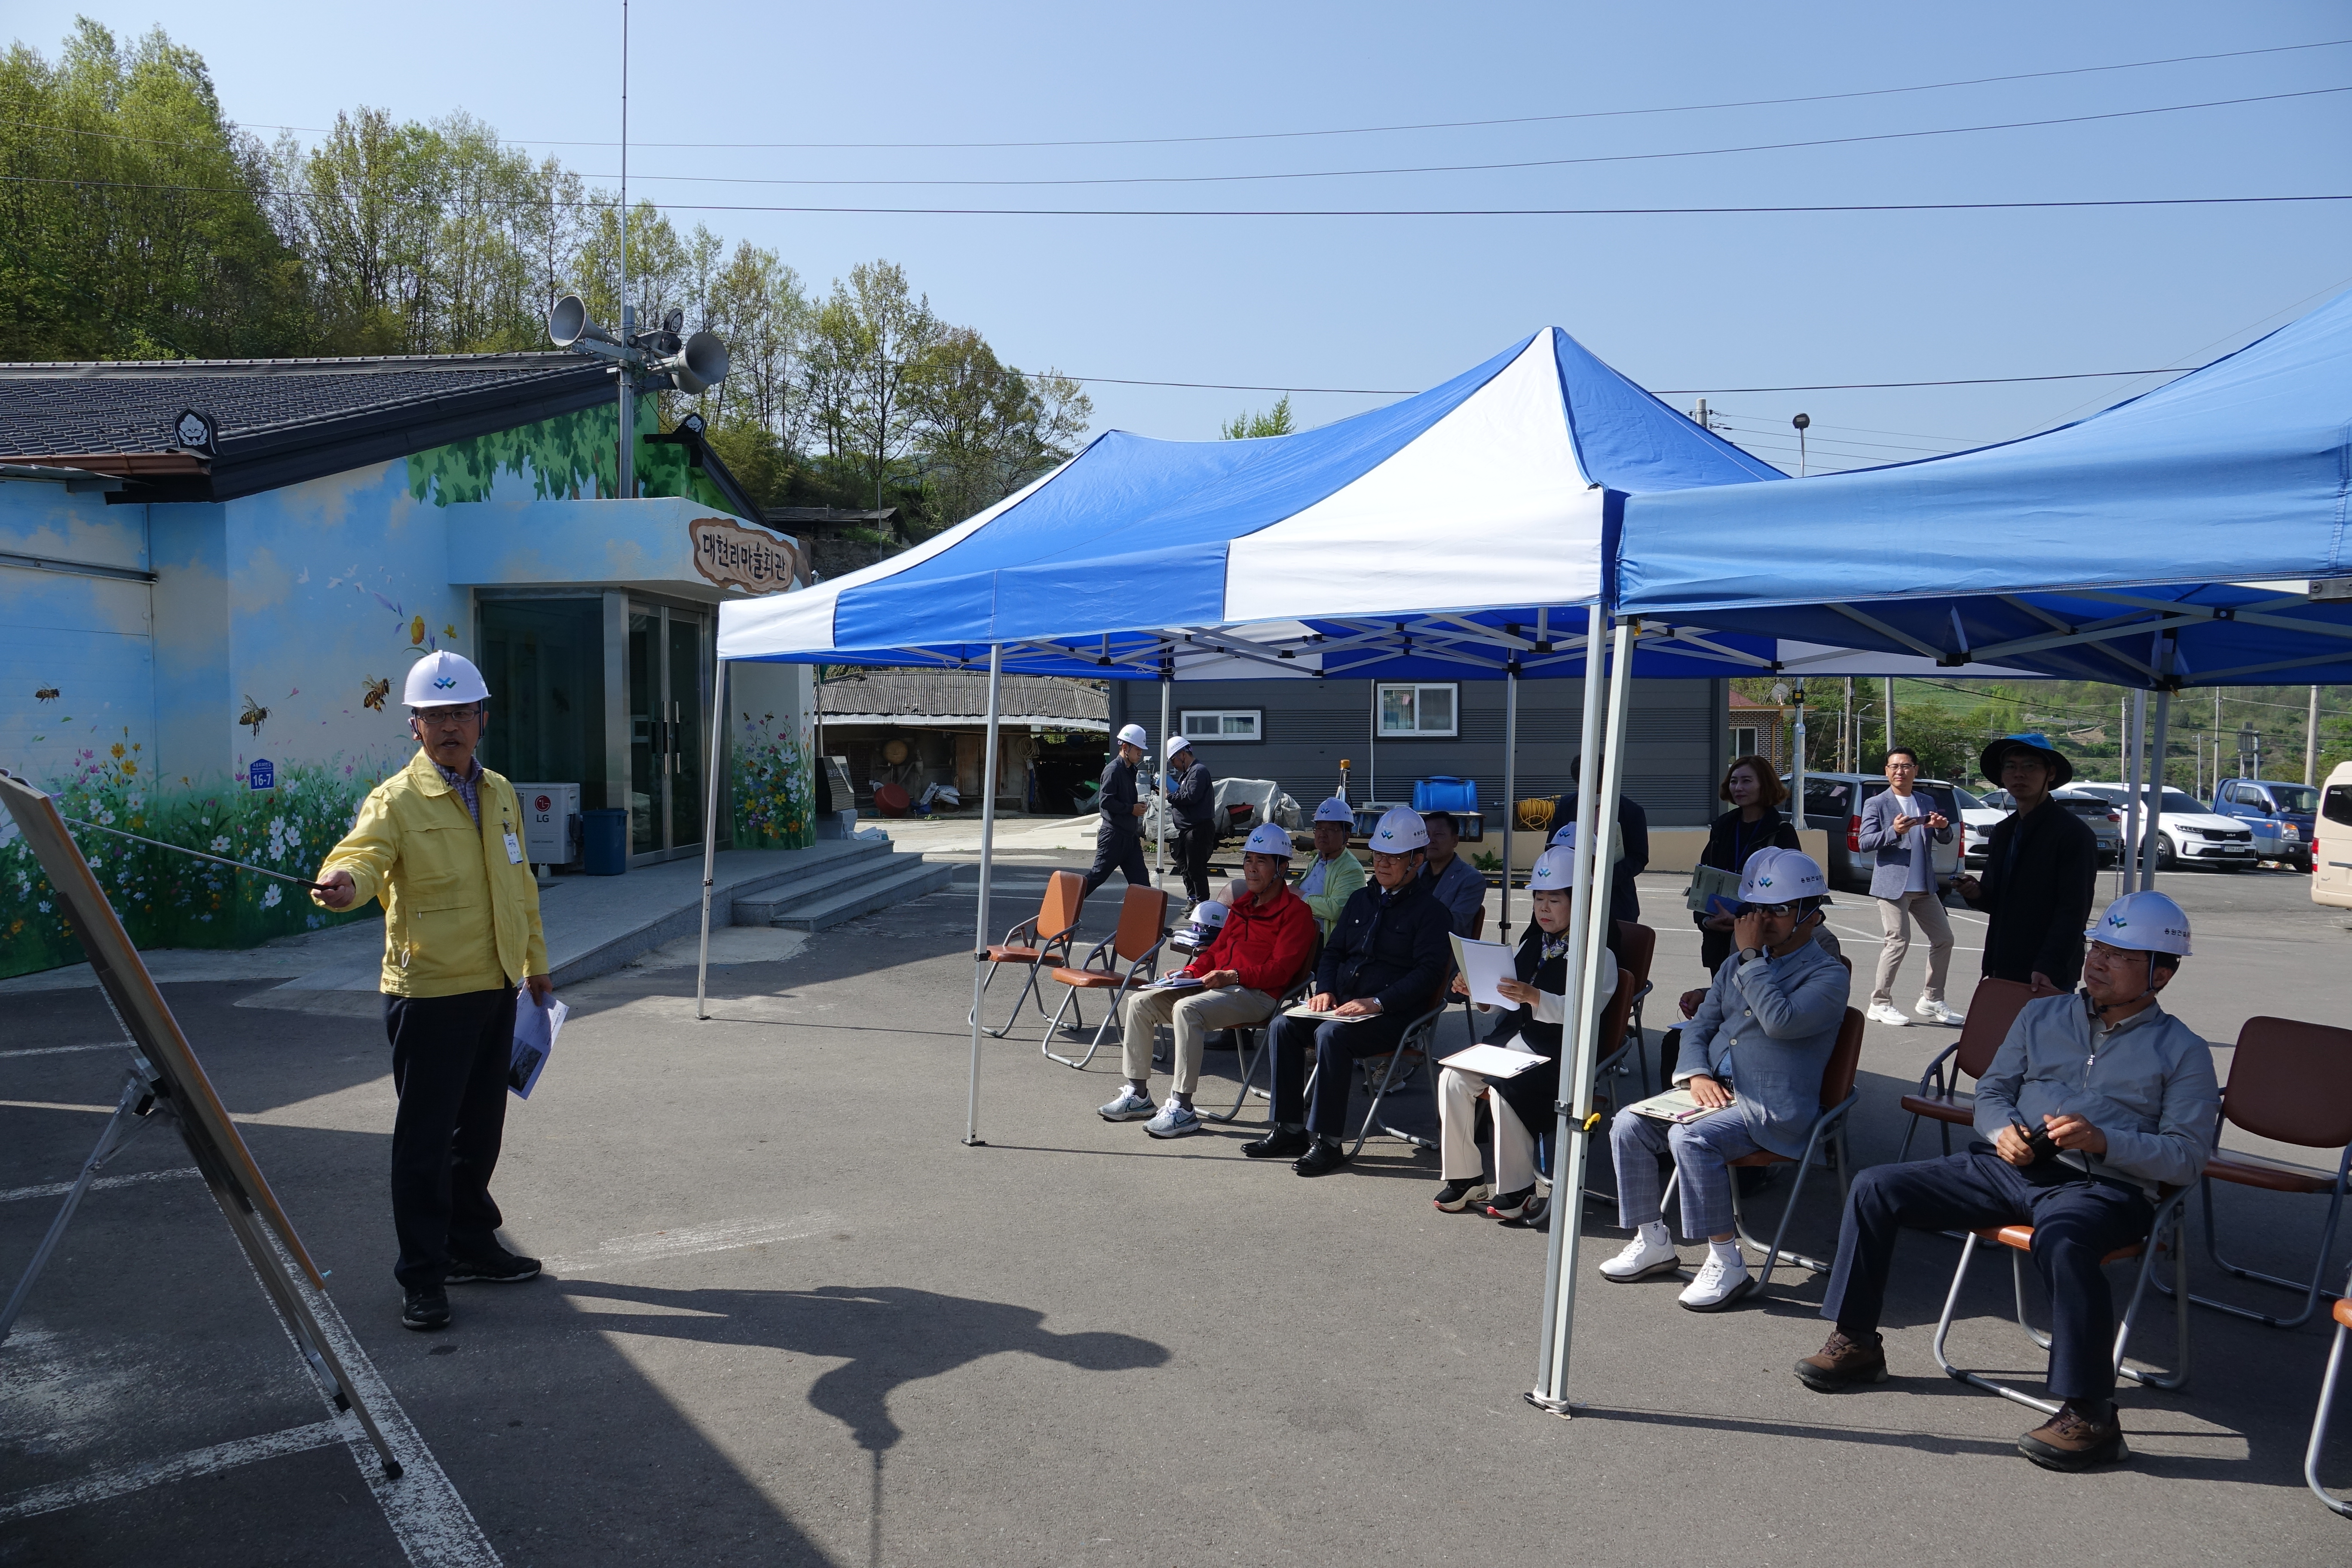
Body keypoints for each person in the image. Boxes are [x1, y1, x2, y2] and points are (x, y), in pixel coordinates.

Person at [1794, 890, 2217, 1473]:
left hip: (2102, 1188)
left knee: (2064, 1240)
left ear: (2161, 974)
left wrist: (2104, 1141)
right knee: (1876, 1187)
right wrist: (2000, 1133)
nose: (2096, 961)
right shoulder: (2042, 1014)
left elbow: (2187, 1159)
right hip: (2007, 1165)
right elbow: (1991, 1092)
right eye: (2097, 946)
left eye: (2119, 955)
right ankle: (1858, 1342)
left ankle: (2091, 1416)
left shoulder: (2185, 1051)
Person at [312, 651, 551, 1333]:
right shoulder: (394, 799)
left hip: (498, 983)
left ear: (482, 719)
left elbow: (521, 883)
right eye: (435, 715)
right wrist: (344, 886)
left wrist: (535, 961)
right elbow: (359, 856)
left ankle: (471, 1244)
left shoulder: (500, 792)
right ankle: (423, 1274)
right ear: (415, 726)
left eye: (461, 713)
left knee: (478, 1131)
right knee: (424, 1140)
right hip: (430, 993)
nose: (450, 726)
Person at [1600, 848, 1850, 1311]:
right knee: (1627, 1125)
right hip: (1715, 1093)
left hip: (1772, 1106)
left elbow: (1779, 1020)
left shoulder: (1828, 975)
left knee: (1692, 1139)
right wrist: (1694, 1072)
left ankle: (1726, 1259)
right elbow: (1701, 1026)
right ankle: (1651, 1238)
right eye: (1756, 909)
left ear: (1811, 915)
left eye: (1778, 910)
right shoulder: (1739, 966)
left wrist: (1752, 956)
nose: (1762, 920)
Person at [1243, 806, 1452, 1176]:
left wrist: (1376, 1002)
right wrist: (1324, 990)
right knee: (1283, 1026)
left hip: (1392, 1014)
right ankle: (1290, 1129)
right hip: (1342, 1006)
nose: (1383, 863)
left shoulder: (1432, 913)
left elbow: (1428, 974)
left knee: (1331, 1035)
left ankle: (1328, 1141)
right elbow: (1334, 952)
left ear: (1417, 860)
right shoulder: (1362, 899)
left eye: (1394, 856)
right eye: (1379, 855)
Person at [1435, 833, 1621, 1220]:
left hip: (1559, 1055)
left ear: (1581, 902)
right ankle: (1466, 1176)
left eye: (1555, 900)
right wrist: (1479, 991)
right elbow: (1505, 997)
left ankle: (1518, 1189)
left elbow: (1585, 1014)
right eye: (1538, 899)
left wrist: (1535, 997)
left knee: (1506, 1089)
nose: (1544, 909)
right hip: (1515, 1044)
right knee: (1453, 1077)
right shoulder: (1532, 944)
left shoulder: (1598, 955)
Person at [1099, 824, 1317, 1139]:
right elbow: (1214, 953)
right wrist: (1190, 972)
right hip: (1219, 986)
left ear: (1282, 867)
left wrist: (1233, 975)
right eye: (1248, 860)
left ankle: (1183, 1108)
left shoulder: (1296, 913)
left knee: (1188, 1011)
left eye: (1262, 861)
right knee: (1140, 1002)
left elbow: (1281, 971)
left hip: (1257, 995)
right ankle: (1138, 1095)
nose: (1251, 869)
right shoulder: (1242, 907)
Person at [1956, 733, 2099, 989]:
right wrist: (1975, 892)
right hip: (2002, 961)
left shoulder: (2073, 834)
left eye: (2029, 766)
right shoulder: (2003, 831)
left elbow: (2074, 910)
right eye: (2010, 766)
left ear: (2051, 773)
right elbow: (1994, 900)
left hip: (2046, 971)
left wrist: (2049, 966)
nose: (2018, 774)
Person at [1857, 746, 1960, 1028]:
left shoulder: (1926, 801)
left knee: (1944, 939)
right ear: (1886, 771)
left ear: (1915, 770)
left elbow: (1946, 836)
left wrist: (1941, 827)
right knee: (1898, 940)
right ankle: (1879, 1003)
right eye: (1893, 767)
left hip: (1924, 886)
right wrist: (1894, 832)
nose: (1899, 772)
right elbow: (1864, 842)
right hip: (1892, 886)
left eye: (1905, 766)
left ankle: (1932, 998)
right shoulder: (1877, 803)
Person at [1694, 755, 1801, 980]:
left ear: (1765, 784)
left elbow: (1788, 894)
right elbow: (1703, 881)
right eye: (1734, 781)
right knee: (1722, 1004)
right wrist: (1706, 921)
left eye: (1746, 781)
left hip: (1761, 942)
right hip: (1719, 938)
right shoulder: (1721, 829)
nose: (1738, 788)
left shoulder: (1781, 832)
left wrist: (1742, 919)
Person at [1550, 755, 1650, 928]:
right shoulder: (1567, 805)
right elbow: (1551, 848)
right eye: (1583, 785)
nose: (1591, 792)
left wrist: (1605, 875)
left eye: (1597, 788)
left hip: (1615, 899)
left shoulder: (1632, 812)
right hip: (1569, 896)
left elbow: (1639, 857)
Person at [1081, 723, 1152, 899]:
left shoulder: (1129, 770)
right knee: (1097, 876)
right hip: (1113, 837)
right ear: (1125, 747)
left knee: (1142, 884)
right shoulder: (1113, 770)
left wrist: (1135, 807)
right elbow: (1106, 801)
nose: (1140, 753)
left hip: (1129, 837)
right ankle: (1062, 910)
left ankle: (1151, 926)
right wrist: (1131, 809)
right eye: (1138, 749)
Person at [1295, 796, 1367, 935]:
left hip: (1323, 944)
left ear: (1346, 837)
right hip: (1298, 932)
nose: (1322, 834)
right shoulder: (1319, 859)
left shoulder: (1352, 869)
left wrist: (1301, 896)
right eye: (1319, 827)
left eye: (1331, 829)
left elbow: (1337, 909)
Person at [1164, 735, 1217, 903]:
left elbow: (1190, 797)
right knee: (1183, 864)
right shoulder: (1189, 773)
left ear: (1182, 755)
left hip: (1198, 828)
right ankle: (1193, 898)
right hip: (1188, 829)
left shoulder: (1199, 771)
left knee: (1196, 868)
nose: (1173, 765)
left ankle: (1202, 904)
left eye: (1173, 760)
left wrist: (1169, 796)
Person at [1419, 810, 1487, 935]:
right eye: (1426, 835)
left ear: (1455, 840)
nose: (1431, 840)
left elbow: (1453, 925)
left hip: (1442, 949)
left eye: (1439, 834)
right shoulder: (1413, 872)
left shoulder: (1471, 880)